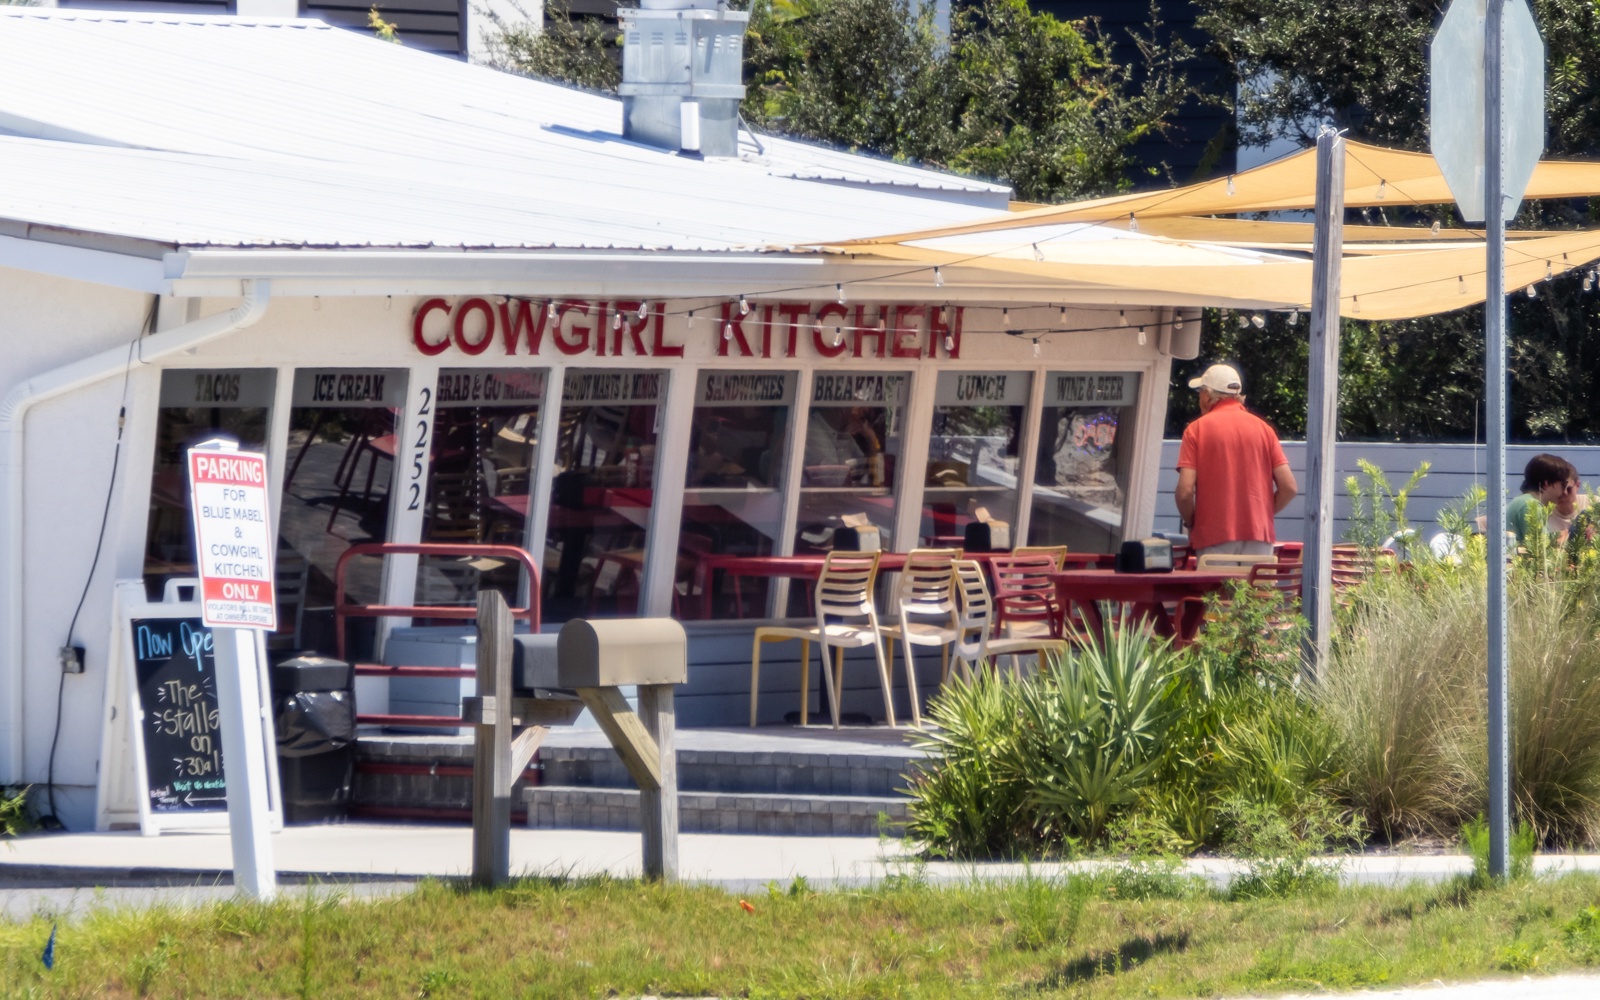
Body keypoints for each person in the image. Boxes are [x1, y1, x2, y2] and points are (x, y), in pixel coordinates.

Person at [1174, 363, 1298, 557]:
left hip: (1213, 537)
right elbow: (1289, 487)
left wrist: (1192, 523)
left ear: (1207, 396)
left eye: (1200, 392)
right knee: (1257, 579)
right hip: (1259, 536)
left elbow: (1185, 492)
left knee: (1215, 580)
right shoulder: (1264, 430)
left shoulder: (1196, 430)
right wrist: (1260, 516)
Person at [1506, 453, 1588, 545]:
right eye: (1563, 485)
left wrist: (1555, 536)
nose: (1564, 492)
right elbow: (1538, 548)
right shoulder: (1531, 505)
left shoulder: (1524, 501)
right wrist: (1564, 540)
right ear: (1546, 484)